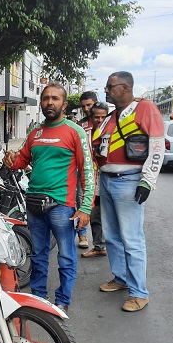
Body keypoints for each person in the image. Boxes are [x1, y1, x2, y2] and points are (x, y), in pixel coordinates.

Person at [3, 82, 95, 312]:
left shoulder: (75, 131)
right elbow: (22, 160)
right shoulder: (35, 132)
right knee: (38, 256)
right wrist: (11, 160)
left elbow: (87, 172)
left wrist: (85, 208)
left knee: (66, 256)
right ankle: (39, 299)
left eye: (55, 98)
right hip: (34, 203)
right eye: (46, 98)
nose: (49, 102)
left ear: (64, 104)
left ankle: (62, 301)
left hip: (62, 206)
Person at [92, 71, 164, 312]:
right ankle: (121, 278)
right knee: (112, 236)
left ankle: (139, 292)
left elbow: (156, 146)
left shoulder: (145, 108)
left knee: (132, 239)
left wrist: (147, 180)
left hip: (129, 181)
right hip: (108, 180)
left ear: (125, 87)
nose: (106, 90)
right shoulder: (112, 116)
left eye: (110, 86)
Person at [81, 101, 110, 258]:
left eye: (103, 117)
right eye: (96, 117)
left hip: (110, 182)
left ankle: (117, 249)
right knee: (95, 215)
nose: (99, 120)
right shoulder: (85, 135)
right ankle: (99, 246)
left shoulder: (112, 134)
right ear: (91, 118)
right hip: (93, 182)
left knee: (113, 218)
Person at [76, 91, 99, 249]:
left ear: (96, 103)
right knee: (81, 201)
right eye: (83, 106)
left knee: (98, 206)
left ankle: (100, 243)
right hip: (83, 170)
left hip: (102, 171)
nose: (85, 108)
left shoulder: (107, 121)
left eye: (89, 105)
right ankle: (82, 235)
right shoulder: (81, 125)